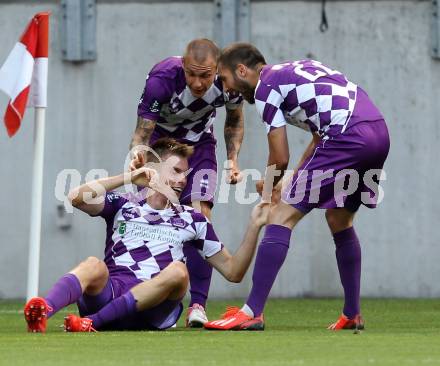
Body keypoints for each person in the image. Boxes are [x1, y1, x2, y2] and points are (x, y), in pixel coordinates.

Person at [204, 43, 390, 331]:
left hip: (347, 136)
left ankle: (252, 311)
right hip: (377, 131)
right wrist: (288, 180)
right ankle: (352, 312)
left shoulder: (265, 89)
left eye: (225, 79)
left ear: (242, 70)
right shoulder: (292, 73)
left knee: (280, 216)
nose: (228, 89)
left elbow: (279, 156)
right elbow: (318, 139)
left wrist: (268, 193)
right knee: (338, 218)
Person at [24, 138, 268, 333]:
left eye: (185, 173)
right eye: (176, 171)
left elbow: (234, 271)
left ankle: (92, 323)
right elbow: (75, 197)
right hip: (110, 294)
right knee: (93, 265)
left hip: (153, 308)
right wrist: (129, 177)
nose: (182, 180)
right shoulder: (124, 205)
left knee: (179, 271)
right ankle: (43, 312)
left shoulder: (193, 219)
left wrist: (255, 225)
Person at [129, 38, 244, 326]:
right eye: (191, 74)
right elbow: (143, 132)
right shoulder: (162, 79)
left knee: (199, 218)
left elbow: (234, 122)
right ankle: (143, 298)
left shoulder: (229, 83)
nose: (197, 82)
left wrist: (232, 160)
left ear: (217, 68)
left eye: (205, 75)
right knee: (150, 219)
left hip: (200, 146)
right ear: (182, 65)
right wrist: (137, 157)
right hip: (161, 146)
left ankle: (198, 306)